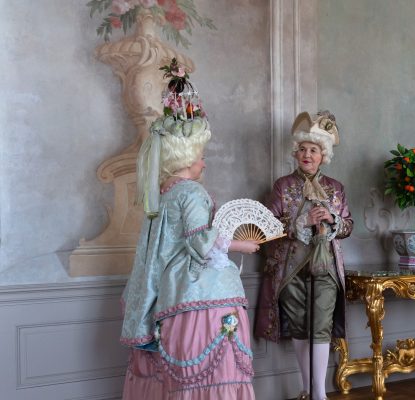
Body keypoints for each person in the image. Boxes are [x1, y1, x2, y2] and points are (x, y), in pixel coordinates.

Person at [120, 59, 258, 399]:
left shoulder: (164, 193)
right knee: (212, 372)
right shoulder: (192, 192)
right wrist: (241, 245)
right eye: (200, 155)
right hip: (198, 293)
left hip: (170, 290)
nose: (203, 161)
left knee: (175, 378)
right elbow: (199, 243)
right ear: (187, 157)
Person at [255, 111, 353, 400]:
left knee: (321, 327)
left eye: (313, 150)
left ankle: (319, 393)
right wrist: (302, 222)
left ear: (323, 155)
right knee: (300, 327)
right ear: (295, 153)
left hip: (327, 267)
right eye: (302, 149)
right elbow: (267, 227)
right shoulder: (282, 186)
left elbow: (348, 226)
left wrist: (333, 220)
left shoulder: (336, 188)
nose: (307, 155)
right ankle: (307, 388)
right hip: (290, 268)